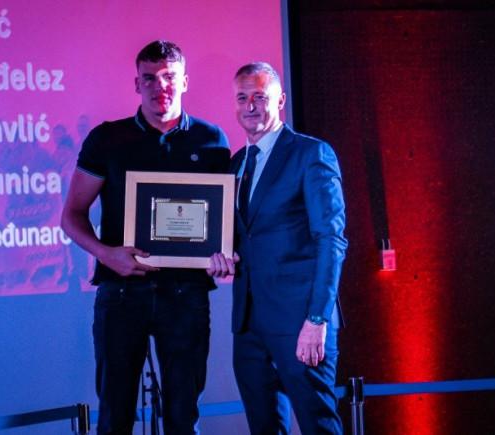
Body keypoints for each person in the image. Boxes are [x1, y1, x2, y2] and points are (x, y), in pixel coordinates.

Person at [61, 40, 230, 434]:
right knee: (115, 417)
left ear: (184, 81)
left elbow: (220, 218)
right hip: (122, 293)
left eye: (169, 76)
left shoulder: (211, 140)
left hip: (187, 294)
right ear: (136, 84)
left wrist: (223, 254)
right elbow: (71, 215)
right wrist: (106, 254)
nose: (160, 86)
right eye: (149, 78)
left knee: (183, 419)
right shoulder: (107, 139)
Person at [210, 62, 348, 434]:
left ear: (280, 100)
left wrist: (317, 320)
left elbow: (331, 241)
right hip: (248, 328)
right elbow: (244, 239)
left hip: (300, 322)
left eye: (259, 96)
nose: (250, 106)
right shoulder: (236, 165)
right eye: (242, 98)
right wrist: (221, 257)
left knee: (319, 427)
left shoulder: (311, 154)